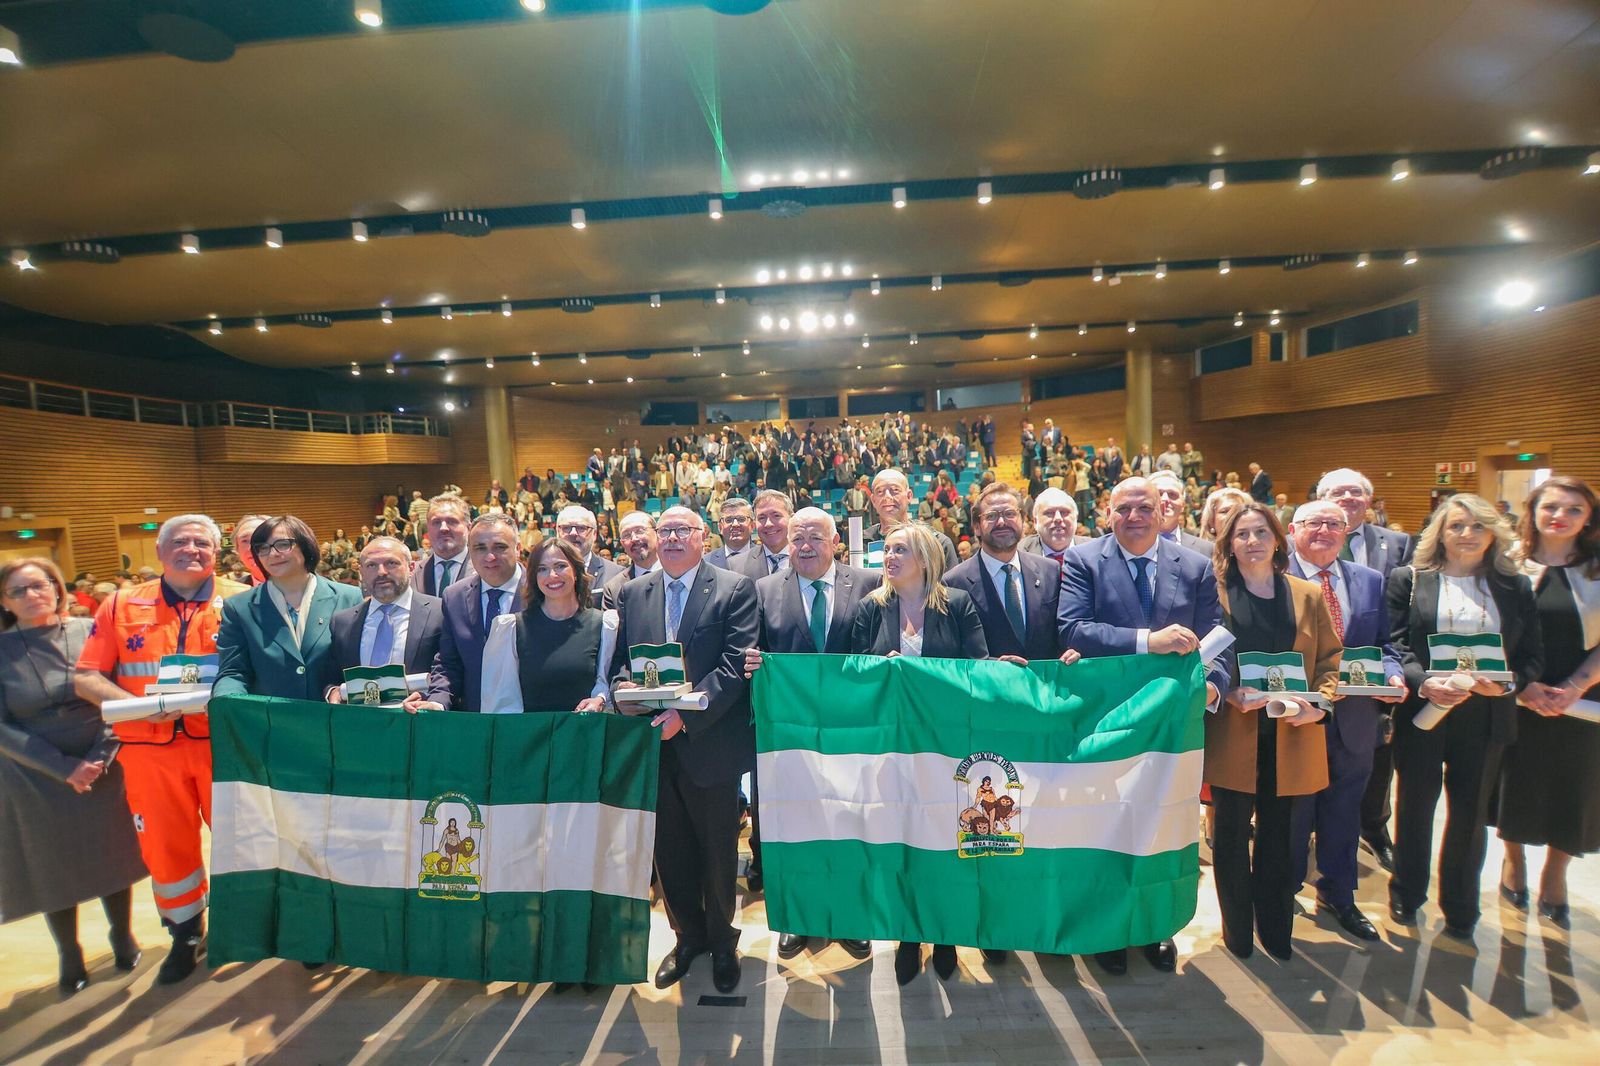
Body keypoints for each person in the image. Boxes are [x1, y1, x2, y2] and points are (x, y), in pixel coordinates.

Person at [1057, 477, 1230, 975]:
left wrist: (1213, 687)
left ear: (1164, 511)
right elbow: (1072, 629)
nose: (1135, 516)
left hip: (1170, 729)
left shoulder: (1194, 566)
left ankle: (1156, 926)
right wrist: (1146, 642)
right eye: (1124, 508)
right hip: (1106, 723)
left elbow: (1217, 638)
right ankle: (1109, 930)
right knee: (1107, 825)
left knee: (1163, 827)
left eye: (1145, 507)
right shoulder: (1086, 560)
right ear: (1107, 514)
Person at [75, 514, 248, 984]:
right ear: (159, 550)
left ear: (217, 553)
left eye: (201, 543)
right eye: (179, 541)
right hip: (149, 753)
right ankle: (186, 936)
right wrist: (135, 707)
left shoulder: (242, 600)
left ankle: (250, 928)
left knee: (244, 840)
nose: (190, 549)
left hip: (225, 746)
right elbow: (87, 675)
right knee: (167, 850)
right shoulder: (120, 604)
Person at [610, 506, 759, 995]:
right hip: (651, 747)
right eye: (665, 530)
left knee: (717, 856)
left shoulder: (734, 588)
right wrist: (623, 696)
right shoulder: (633, 593)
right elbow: (618, 666)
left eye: (682, 530)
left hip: (709, 746)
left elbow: (736, 666)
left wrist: (685, 718)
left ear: (702, 537)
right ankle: (686, 937)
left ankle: (722, 942)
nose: (672, 538)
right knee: (669, 855)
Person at [1386, 493, 1542, 940]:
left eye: (1477, 526)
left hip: (1487, 714)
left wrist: (1508, 683)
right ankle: (1407, 890)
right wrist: (1422, 682)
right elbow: (1396, 645)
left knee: (1470, 815)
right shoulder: (1410, 579)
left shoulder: (1514, 587)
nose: (1467, 534)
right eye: (1457, 526)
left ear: (1494, 532)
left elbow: (1532, 656)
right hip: (1426, 710)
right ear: (1441, 532)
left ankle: (1460, 905)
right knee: (1414, 806)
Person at [741, 507, 881, 963]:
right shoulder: (762, 590)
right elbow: (753, 651)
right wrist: (751, 663)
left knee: (851, 824)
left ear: (835, 540)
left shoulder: (867, 584)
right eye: (797, 537)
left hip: (851, 734)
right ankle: (797, 918)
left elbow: (877, 651)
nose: (804, 545)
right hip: (789, 738)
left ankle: (852, 917)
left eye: (815, 537)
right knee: (792, 828)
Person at [849, 522, 987, 984]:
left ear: (925, 559)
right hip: (891, 748)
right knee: (902, 840)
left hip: (946, 748)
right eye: (886, 550)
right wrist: (878, 672)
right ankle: (909, 936)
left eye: (899, 550)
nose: (889, 557)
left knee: (945, 841)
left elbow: (977, 670)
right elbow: (853, 672)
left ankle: (945, 934)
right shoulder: (870, 608)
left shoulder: (958, 604)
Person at [1, 558, 145, 995]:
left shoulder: (88, 632)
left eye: (40, 585)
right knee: (52, 864)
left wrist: (101, 756)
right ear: (4, 601)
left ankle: (122, 935)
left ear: (57, 587)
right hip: (34, 774)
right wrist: (65, 768)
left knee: (112, 855)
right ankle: (69, 952)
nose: (32, 596)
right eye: (19, 590)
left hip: (103, 761)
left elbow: (117, 695)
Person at [1209, 502, 1339, 960]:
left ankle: (1276, 928)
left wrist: (1318, 706)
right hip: (1235, 731)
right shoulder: (1216, 592)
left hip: (1291, 730)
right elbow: (1204, 657)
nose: (1252, 541)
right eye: (1241, 534)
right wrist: (1226, 692)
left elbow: (1330, 661)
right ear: (1228, 543)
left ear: (1278, 540)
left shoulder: (1306, 595)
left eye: (1261, 532)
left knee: (1281, 836)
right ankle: (1238, 931)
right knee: (1229, 835)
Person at [1285, 502, 1407, 942]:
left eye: (1333, 524)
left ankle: (1338, 893)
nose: (1324, 530)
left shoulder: (1370, 581)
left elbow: (1384, 645)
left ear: (1347, 531)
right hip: (1295, 718)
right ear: (1293, 529)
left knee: (1344, 810)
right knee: (1294, 811)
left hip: (1355, 718)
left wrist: (1392, 672)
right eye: (1313, 522)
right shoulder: (1275, 580)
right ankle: (1284, 890)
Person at [1498, 476, 1600, 928]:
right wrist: (1524, 686)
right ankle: (1514, 860)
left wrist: (1577, 685)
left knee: (1573, 786)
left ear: (1589, 519)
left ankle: (1555, 873)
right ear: (1533, 512)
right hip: (1515, 692)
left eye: (1574, 509)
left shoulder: (1597, 568)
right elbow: (1485, 631)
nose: (1560, 516)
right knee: (1512, 781)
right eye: (1551, 507)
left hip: (1580, 699)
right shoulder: (1506, 563)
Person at [1315, 467, 1415, 870]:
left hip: (1367, 692)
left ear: (1368, 501)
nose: (1348, 498)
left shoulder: (1396, 547)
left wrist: (1394, 669)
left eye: (1357, 492)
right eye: (1338, 492)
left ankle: (1371, 832)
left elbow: (1397, 622)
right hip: (1308, 698)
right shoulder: (1284, 561)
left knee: (1370, 775)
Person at [216, 515, 365, 704]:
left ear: (306, 545)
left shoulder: (350, 597)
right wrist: (226, 702)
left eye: (283, 544)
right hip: (272, 725)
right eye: (263, 548)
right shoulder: (238, 607)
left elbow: (360, 663)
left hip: (335, 721)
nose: (273, 554)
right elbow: (233, 672)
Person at [478, 539, 614, 715]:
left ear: (576, 571)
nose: (552, 575)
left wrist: (600, 699)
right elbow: (501, 706)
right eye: (542, 569)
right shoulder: (512, 628)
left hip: (586, 735)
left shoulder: (604, 625)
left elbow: (606, 688)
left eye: (560, 566)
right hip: (532, 738)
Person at [425, 514, 526, 712]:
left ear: (518, 549)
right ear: (469, 552)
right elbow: (448, 662)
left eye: (500, 547)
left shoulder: (542, 592)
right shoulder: (455, 597)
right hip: (476, 719)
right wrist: (437, 700)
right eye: (480, 548)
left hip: (532, 721)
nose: (490, 557)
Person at [326, 538, 443, 705]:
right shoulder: (342, 622)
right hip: (361, 723)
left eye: (391, 563)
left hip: (419, 721)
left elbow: (450, 671)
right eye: (371, 565)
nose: (381, 572)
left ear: (411, 568)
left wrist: (430, 699)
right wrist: (333, 692)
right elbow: (331, 677)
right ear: (361, 572)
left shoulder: (440, 612)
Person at [865, 469, 959, 570]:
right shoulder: (861, 544)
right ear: (873, 501)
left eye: (895, 490)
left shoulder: (937, 543)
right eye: (880, 492)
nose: (887, 497)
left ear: (909, 496)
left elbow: (950, 585)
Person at [556, 504, 624, 600]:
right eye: (566, 527)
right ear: (557, 532)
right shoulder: (542, 573)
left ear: (594, 534)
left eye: (581, 528)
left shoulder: (615, 574)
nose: (573, 533)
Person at [414, 494, 474, 597]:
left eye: (452, 521)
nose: (443, 528)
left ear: (469, 527)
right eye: (436, 522)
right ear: (428, 528)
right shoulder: (412, 574)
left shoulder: (485, 569)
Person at [601, 510, 662, 608]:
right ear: (622, 544)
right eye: (626, 535)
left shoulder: (678, 573)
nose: (634, 539)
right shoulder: (614, 589)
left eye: (640, 531)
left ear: (657, 533)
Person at [733, 489, 793, 579]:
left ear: (792, 519)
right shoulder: (736, 566)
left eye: (776, 516)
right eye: (762, 518)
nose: (768, 524)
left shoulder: (811, 560)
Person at [1150, 471, 1212, 555]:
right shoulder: (1128, 547)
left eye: (1172, 494)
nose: (1165, 499)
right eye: (1158, 494)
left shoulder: (1207, 550)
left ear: (1183, 504)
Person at [1019, 488, 1078, 562]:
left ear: (1076, 518)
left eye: (1064, 512)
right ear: (1036, 522)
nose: (1058, 518)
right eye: (1049, 513)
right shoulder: (1019, 555)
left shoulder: (1095, 551)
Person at [707, 496, 753, 569]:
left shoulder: (765, 558)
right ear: (720, 527)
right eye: (728, 520)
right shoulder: (707, 562)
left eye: (741, 519)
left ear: (752, 526)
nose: (735, 524)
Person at [233, 513, 271, 585]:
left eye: (261, 539)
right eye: (245, 541)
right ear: (237, 550)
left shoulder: (298, 585)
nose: (252, 548)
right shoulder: (233, 591)